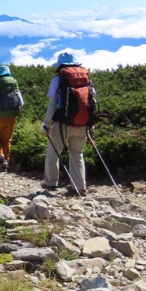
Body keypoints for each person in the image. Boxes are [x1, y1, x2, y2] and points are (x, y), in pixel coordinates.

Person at [41, 52, 97, 196]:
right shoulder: (87, 79)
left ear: (61, 65)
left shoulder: (58, 80)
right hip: (83, 124)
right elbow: (92, 103)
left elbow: (53, 103)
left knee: (53, 152)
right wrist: (90, 124)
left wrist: (46, 123)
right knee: (77, 154)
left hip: (62, 124)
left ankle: (50, 183)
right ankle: (79, 187)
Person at [0, 65, 24, 172]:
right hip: (12, 117)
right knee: (7, 139)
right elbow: (22, 103)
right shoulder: (15, 86)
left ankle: (0, 157)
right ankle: (7, 161)